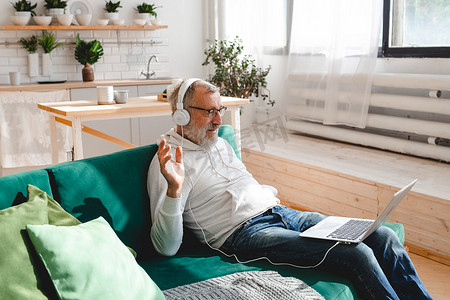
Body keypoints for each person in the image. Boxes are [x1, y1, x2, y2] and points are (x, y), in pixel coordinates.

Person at [147, 79, 432, 300]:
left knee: (381, 235)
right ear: (181, 115)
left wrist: (264, 194)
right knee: (357, 254)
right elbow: (166, 246)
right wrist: (174, 189)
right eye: (209, 112)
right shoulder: (170, 160)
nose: (219, 120)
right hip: (247, 235)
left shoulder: (218, 142)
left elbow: (238, 184)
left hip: (282, 213)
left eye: (219, 110)